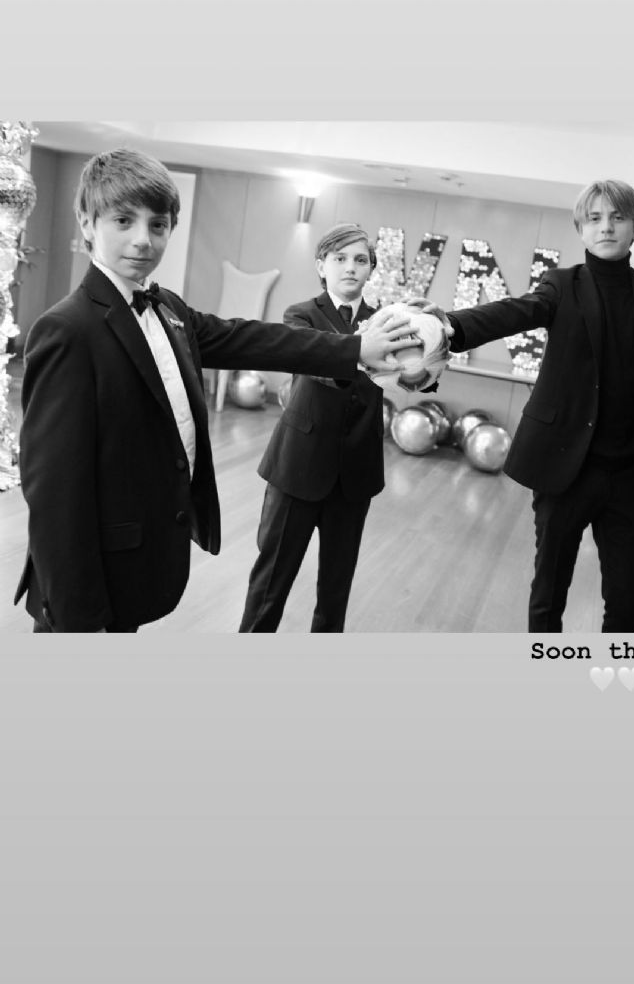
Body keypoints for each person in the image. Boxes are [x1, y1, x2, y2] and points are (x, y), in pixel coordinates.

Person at [13, 151, 413, 633]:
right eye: (123, 221)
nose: (143, 239)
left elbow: (252, 339)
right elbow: (53, 494)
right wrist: (80, 618)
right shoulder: (67, 330)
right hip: (83, 588)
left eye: (158, 225)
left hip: (132, 565)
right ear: (87, 222)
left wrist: (355, 349)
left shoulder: (167, 308)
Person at [444, 179, 634, 632]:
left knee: (626, 603)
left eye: (617, 217)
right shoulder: (562, 285)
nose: (606, 227)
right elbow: (513, 311)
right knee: (549, 591)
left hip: (629, 476)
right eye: (594, 218)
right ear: (581, 229)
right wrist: (449, 325)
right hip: (566, 469)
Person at [238, 222, 386, 632]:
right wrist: (363, 354)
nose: (350, 267)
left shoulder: (386, 321)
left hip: (356, 473)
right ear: (322, 266)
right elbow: (309, 358)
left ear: (370, 269)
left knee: (336, 590)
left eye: (360, 260)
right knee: (270, 583)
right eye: (340, 258)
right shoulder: (300, 314)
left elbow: (409, 371)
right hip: (297, 468)